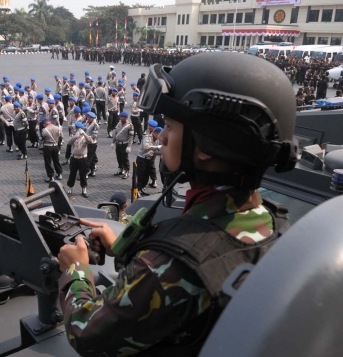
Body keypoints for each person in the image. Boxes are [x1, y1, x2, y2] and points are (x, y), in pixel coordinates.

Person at [56, 52, 297, 356]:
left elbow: (87, 333)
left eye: (170, 126)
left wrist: (75, 269)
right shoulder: (275, 221)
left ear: (208, 144)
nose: (163, 137)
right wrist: (126, 248)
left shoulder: (173, 265)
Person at [66, 121, 92, 198]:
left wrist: (85, 135)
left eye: (77, 128)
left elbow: (91, 142)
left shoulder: (85, 136)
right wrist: (75, 136)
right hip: (74, 158)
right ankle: (70, 188)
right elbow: (69, 143)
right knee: (72, 174)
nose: (76, 129)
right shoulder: (73, 135)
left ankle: (84, 189)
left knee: (83, 174)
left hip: (83, 158)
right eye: (76, 128)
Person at [136, 123, 161, 196]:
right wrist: (157, 147)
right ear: (155, 133)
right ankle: (137, 190)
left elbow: (156, 151)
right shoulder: (147, 137)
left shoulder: (157, 139)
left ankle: (142, 189)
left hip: (149, 160)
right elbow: (146, 147)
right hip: (142, 159)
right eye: (159, 134)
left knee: (146, 176)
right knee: (140, 175)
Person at [112, 112, 134, 179]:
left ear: (126, 118)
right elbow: (115, 133)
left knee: (125, 158)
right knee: (119, 157)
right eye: (120, 117)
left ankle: (126, 171)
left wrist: (129, 146)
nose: (120, 118)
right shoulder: (119, 123)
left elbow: (131, 136)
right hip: (118, 144)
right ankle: (120, 169)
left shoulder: (130, 125)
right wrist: (113, 142)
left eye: (121, 117)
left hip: (124, 144)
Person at [40, 117, 63, 182]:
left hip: (47, 146)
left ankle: (51, 176)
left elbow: (41, 139)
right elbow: (62, 137)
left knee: (48, 162)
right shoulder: (58, 128)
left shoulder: (44, 130)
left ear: (45, 124)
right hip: (55, 146)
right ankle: (59, 173)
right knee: (56, 160)